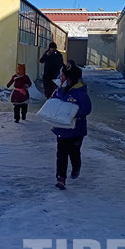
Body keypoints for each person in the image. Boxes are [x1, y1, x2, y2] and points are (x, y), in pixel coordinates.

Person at [51, 62, 92, 190]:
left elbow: (87, 109)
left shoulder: (80, 93)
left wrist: (72, 112)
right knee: (61, 155)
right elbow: (53, 102)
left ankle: (76, 167)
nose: (59, 78)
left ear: (69, 78)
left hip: (76, 131)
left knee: (74, 152)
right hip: (62, 130)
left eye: (62, 76)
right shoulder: (59, 91)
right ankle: (61, 178)